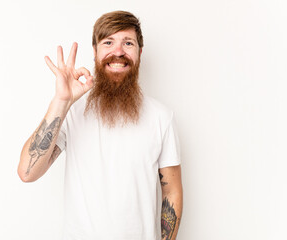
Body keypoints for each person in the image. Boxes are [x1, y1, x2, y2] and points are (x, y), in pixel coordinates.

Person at [18, 10, 183, 240]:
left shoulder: (161, 117)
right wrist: (61, 101)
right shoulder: (72, 112)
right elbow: (27, 172)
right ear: (94, 52)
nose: (118, 52)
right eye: (108, 42)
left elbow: (171, 190)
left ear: (140, 52)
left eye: (128, 43)